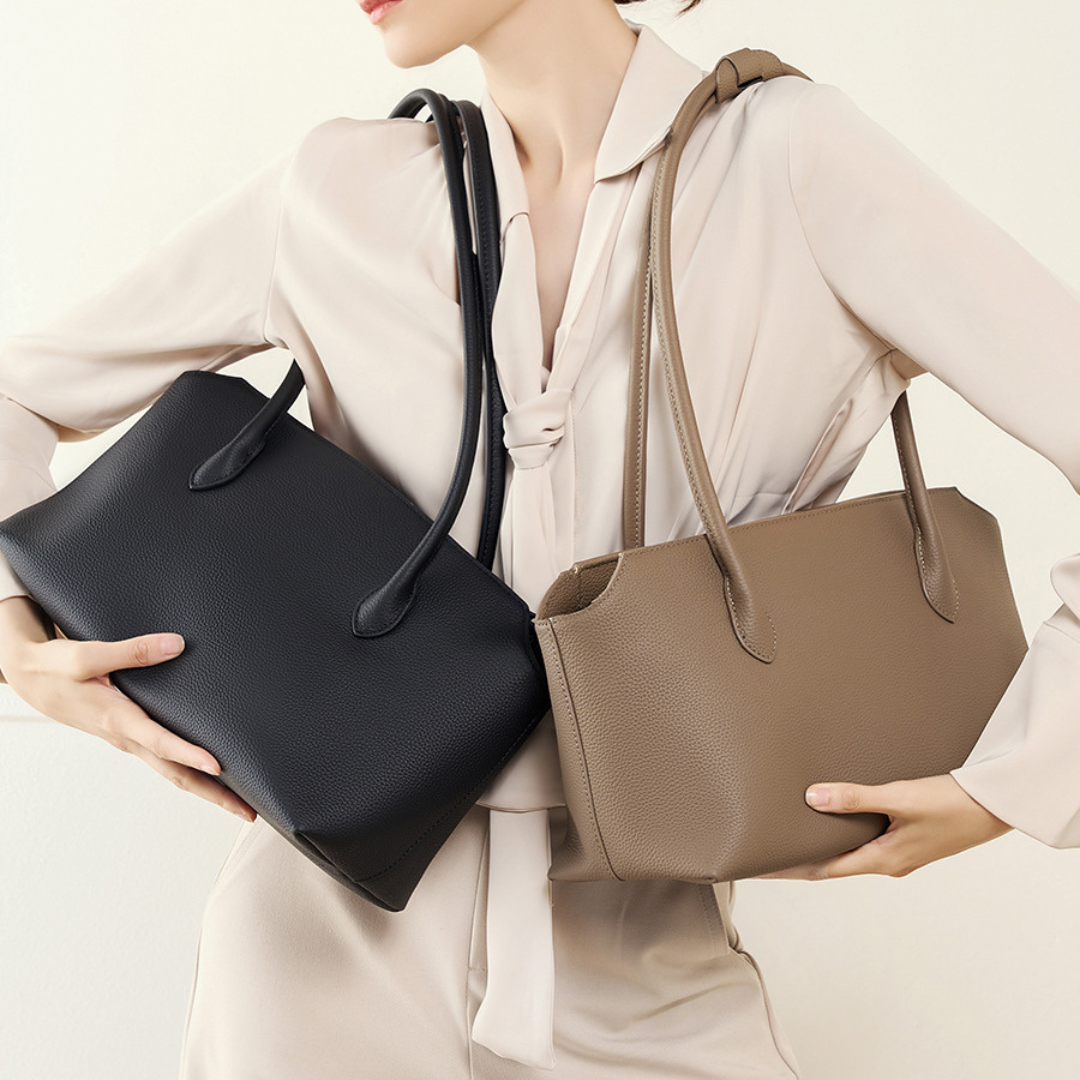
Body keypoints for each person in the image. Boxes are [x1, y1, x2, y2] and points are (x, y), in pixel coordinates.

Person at [0, 0, 1077, 1076]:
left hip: (652, 951)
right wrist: (19, 642)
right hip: (318, 943)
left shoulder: (789, 162)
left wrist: (1023, 777)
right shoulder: (339, 190)